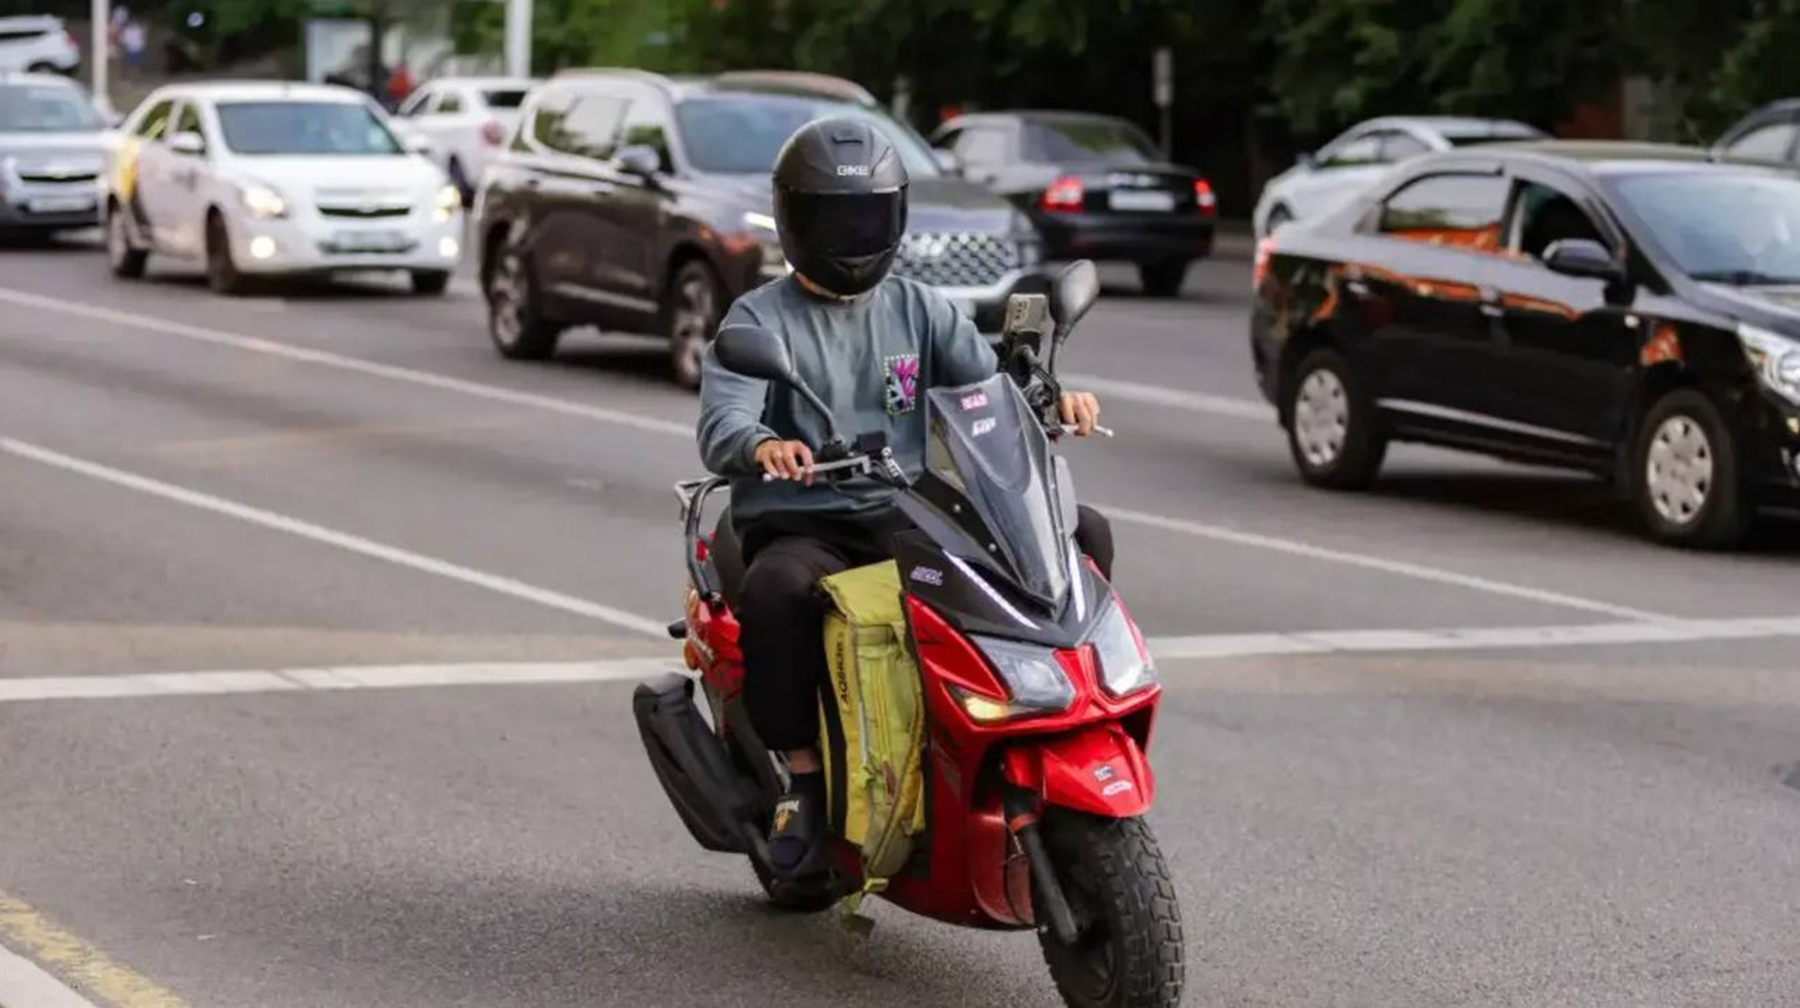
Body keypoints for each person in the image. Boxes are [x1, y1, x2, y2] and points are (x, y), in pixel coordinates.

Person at [696, 118, 1112, 874]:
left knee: (1082, 531)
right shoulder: (758, 319)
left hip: (906, 509)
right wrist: (763, 446)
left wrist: (1052, 401)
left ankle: (1057, 711)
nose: (855, 234)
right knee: (778, 590)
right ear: (797, 218)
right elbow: (724, 417)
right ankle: (804, 778)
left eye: (869, 216)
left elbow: (990, 386)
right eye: (836, 217)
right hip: (804, 518)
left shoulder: (920, 308)